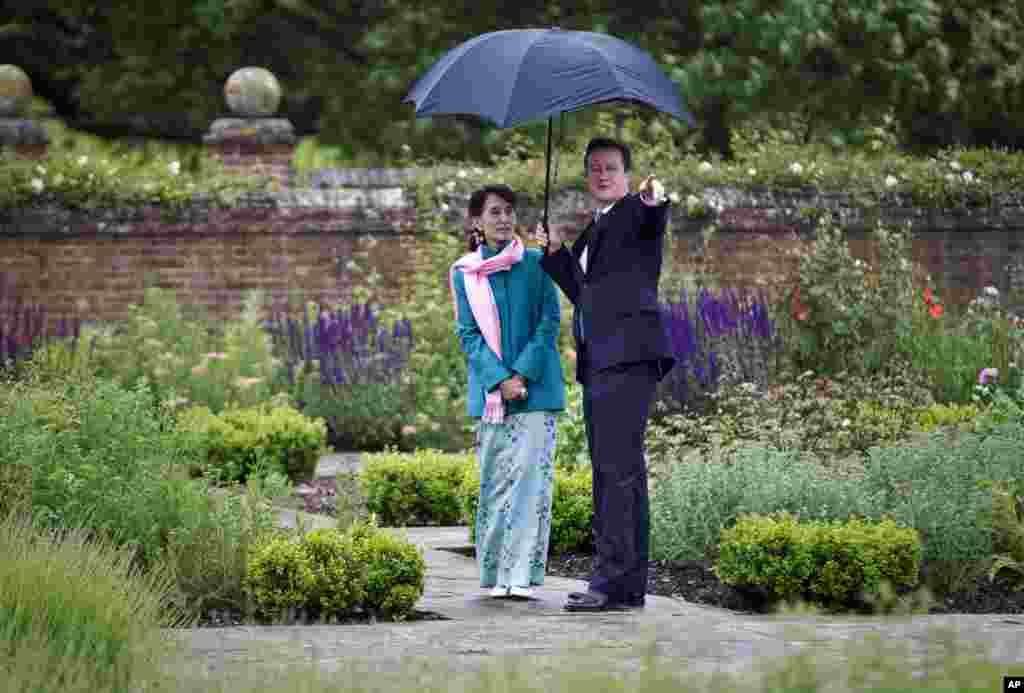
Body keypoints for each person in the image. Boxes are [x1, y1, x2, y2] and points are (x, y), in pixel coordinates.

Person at [533, 137, 674, 612]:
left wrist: (654, 199)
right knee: (617, 472)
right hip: (601, 362)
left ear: (628, 176)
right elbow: (585, 293)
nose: (601, 174)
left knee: (616, 473)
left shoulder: (636, 212)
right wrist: (555, 254)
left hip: (628, 359)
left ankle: (612, 583)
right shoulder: (595, 228)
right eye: (593, 168)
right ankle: (626, 585)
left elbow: (653, 212)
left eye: (611, 167)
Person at [449, 184, 567, 599]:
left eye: (509, 211)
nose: (504, 219)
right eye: (495, 212)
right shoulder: (464, 273)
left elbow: (550, 322)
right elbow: (468, 334)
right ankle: (496, 575)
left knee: (532, 484)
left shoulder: (537, 263)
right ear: (476, 221)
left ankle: (521, 576)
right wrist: (500, 380)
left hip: (537, 391)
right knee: (495, 482)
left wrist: (522, 374)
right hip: (493, 396)